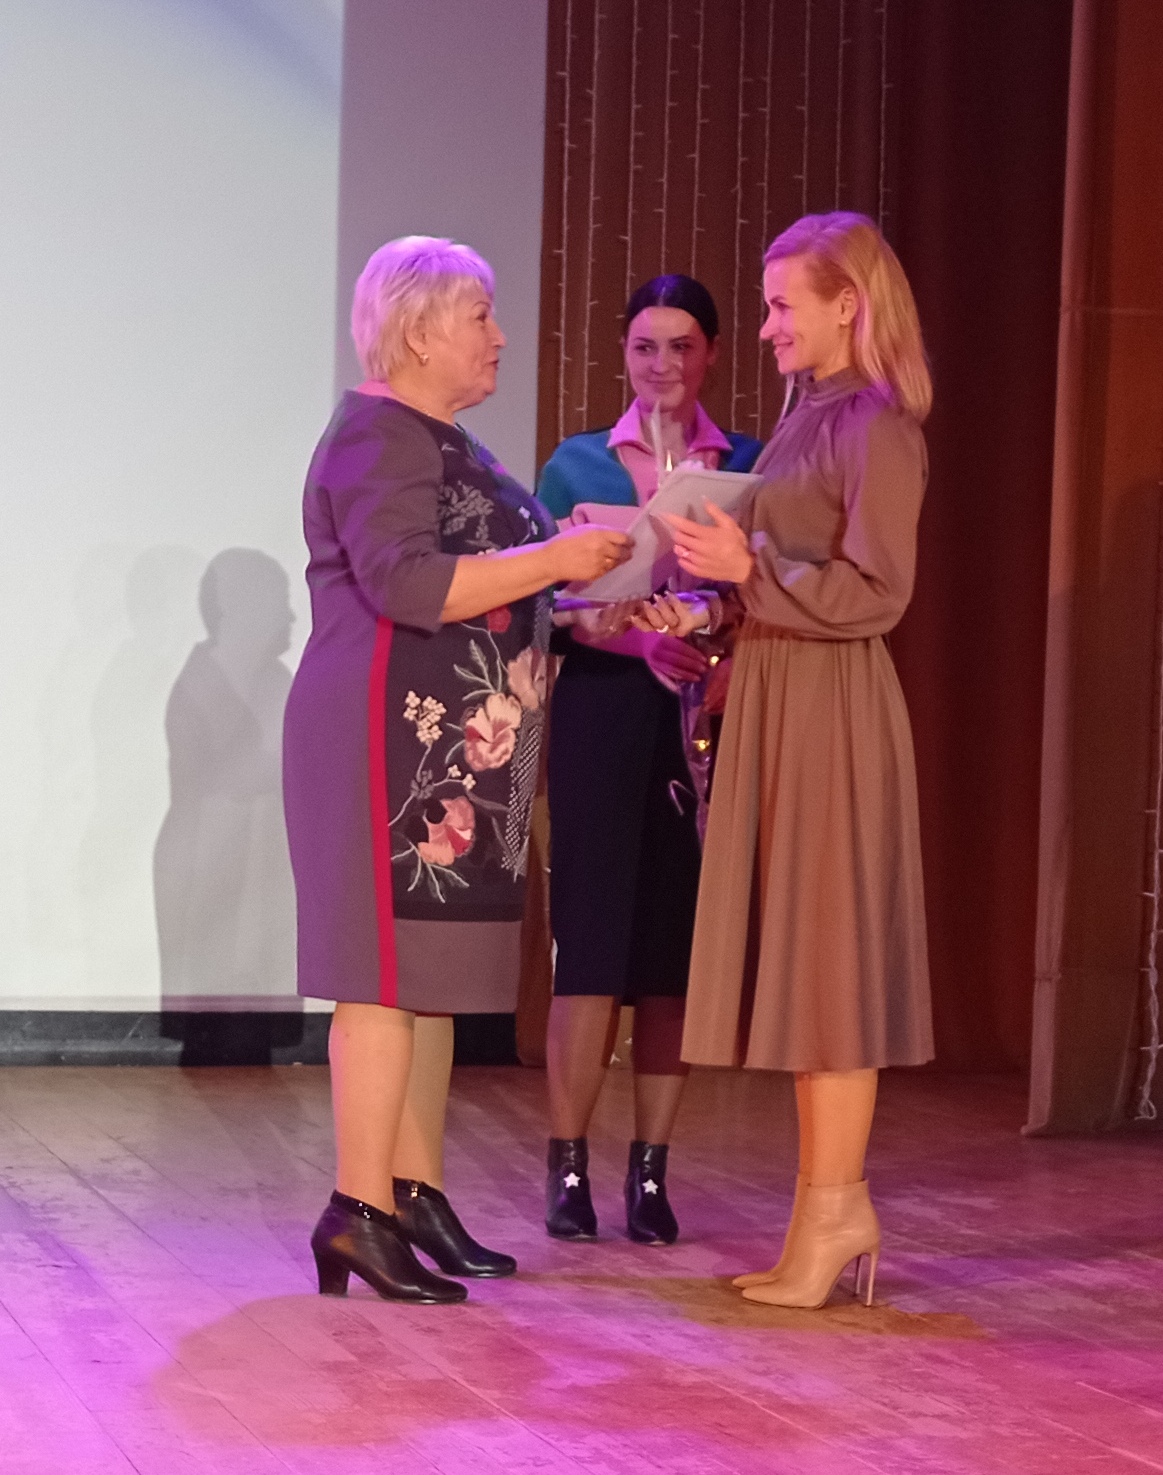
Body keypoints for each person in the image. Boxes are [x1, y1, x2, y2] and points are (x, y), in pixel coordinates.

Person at [282, 236, 630, 1303]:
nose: (499, 336)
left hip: (448, 750)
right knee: (384, 979)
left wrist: (582, 594)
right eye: (480, 315)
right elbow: (406, 581)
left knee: (427, 984)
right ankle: (357, 1209)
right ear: (420, 329)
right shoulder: (376, 434)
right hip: (382, 734)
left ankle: (412, 1189)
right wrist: (554, 558)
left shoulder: (444, 439)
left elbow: (492, 579)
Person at [642, 213, 933, 1306]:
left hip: (831, 704)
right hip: (778, 686)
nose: (763, 327)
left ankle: (836, 1209)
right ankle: (822, 1213)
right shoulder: (809, 414)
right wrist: (708, 596)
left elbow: (879, 591)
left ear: (845, 303)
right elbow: (784, 561)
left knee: (829, 968)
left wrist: (747, 567)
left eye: (779, 306)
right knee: (806, 967)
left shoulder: (876, 422)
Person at [536, 275, 762, 1245]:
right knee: (589, 948)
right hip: (600, 711)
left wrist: (710, 640)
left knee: (671, 955)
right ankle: (567, 1165)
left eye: (680, 346)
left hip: (699, 717)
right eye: (643, 346)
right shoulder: (575, 462)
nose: (661, 365)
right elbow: (544, 601)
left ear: (710, 354)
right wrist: (633, 637)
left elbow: (761, 594)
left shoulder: (744, 464)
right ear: (622, 354)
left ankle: (650, 1172)